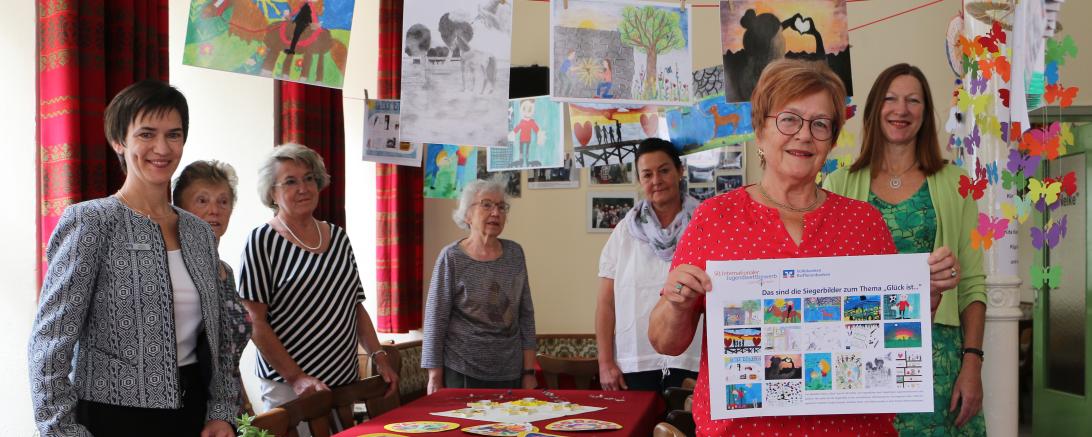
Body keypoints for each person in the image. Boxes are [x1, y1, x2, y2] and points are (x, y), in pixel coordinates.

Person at [647, 59, 964, 435]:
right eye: (789, 119)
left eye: (820, 124)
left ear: (831, 140)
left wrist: (920, 296)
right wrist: (676, 302)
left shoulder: (863, 223)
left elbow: (892, 339)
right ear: (760, 130)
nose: (804, 135)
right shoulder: (716, 219)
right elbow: (666, 341)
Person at [28, 80, 237, 437]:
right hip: (110, 418)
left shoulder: (200, 233)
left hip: (191, 415)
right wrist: (62, 430)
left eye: (174, 135)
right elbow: (50, 343)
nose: (161, 147)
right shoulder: (92, 221)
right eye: (146, 134)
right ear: (119, 141)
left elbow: (220, 339)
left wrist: (222, 410)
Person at [823, 63, 987, 434]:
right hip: (860, 351)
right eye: (891, 99)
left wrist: (972, 364)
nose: (902, 110)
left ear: (926, 114)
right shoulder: (837, 183)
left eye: (913, 101)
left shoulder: (956, 183)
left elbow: (973, 282)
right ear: (874, 110)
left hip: (938, 357)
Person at [238, 144, 398, 431]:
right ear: (272, 193)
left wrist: (379, 355)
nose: (303, 188)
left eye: (309, 178)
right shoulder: (261, 242)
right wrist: (297, 378)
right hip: (290, 388)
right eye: (290, 181)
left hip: (343, 382)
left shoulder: (338, 237)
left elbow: (354, 306)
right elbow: (254, 322)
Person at [596, 138, 701, 392]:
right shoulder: (624, 232)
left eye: (664, 170)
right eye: (647, 174)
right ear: (640, 180)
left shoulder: (703, 224)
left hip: (693, 358)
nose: (656, 180)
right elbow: (605, 303)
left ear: (679, 171)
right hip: (636, 361)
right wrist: (605, 362)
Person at [423, 177, 538, 394]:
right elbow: (435, 319)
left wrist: (529, 372)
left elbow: (526, 314)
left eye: (501, 207)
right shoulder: (451, 257)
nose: (496, 213)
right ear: (467, 214)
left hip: (510, 371)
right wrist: (434, 377)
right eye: (487, 205)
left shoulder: (515, 253)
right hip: (462, 370)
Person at [173, 160, 252, 415]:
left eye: (223, 201)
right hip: (190, 409)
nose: (215, 210)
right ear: (178, 207)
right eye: (202, 200)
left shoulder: (225, 271)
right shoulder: (175, 268)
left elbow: (228, 359)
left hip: (230, 407)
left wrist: (245, 406)